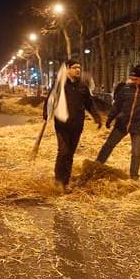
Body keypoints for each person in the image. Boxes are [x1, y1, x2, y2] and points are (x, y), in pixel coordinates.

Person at [43, 59, 102, 193]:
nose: (78, 70)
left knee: (70, 154)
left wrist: (96, 117)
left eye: (79, 68)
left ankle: (65, 182)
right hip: (62, 125)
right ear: (68, 69)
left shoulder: (83, 87)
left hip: (77, 126)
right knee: (63, 152)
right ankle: (58, 180)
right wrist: (46, 114)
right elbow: (50, 101)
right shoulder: (60, 85)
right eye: (75, 67)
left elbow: (89, 104)